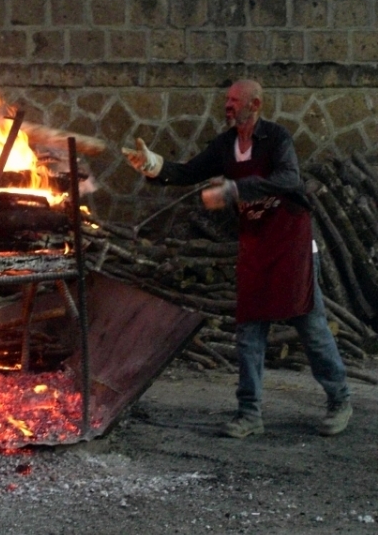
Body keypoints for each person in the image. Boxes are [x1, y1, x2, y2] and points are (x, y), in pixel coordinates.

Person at [124, 79, 352, 438]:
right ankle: (249, 414)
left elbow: (290, 179)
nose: (228, 106)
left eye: (235, 101)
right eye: (227, 100)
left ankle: (339, 399)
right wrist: (153, 165)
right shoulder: (225, 145)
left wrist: (236, 189)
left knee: (311, 326)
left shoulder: (277, 139)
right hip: (257, 247)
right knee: (248, 329)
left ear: (255, 105)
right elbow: (188, 171)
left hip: (291, 245)